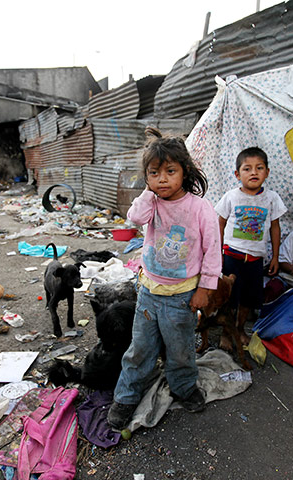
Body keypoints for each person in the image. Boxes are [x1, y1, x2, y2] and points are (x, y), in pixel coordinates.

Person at [107, 127, 221, 431]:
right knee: (140, 349)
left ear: (185, 172)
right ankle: (126, 397)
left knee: (181, 348)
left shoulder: (200, 208)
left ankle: (184, 388)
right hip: (147, 293)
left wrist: (206, 289)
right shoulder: (151, 203)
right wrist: (148, 191)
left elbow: (212, 251)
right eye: (154, 173)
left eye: (170, 171)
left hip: (183, 296)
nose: (163, 179)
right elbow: (134, 218)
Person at [214, 147, 286, 348]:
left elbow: (275, 227)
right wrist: (218, 253)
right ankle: (226, 334)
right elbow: (219, 223)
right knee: (230, 298)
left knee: (248, 299)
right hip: (232, 256)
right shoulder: (231, 197)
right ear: (238, 174)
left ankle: (239, 329)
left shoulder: (271, 198)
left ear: (267, 172)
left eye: (259, 168)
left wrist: (275, 257)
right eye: (247, 169)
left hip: (255, 260)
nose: (254, 172)